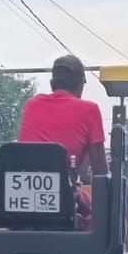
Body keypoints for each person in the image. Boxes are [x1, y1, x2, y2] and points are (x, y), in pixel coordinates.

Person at [17, 55, 108, 229]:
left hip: (23, 199)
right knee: (91, 212)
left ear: (53, 84)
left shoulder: (31, 105)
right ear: (81, 84)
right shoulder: (90, 110)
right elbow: (101, 173)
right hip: (64, 198)